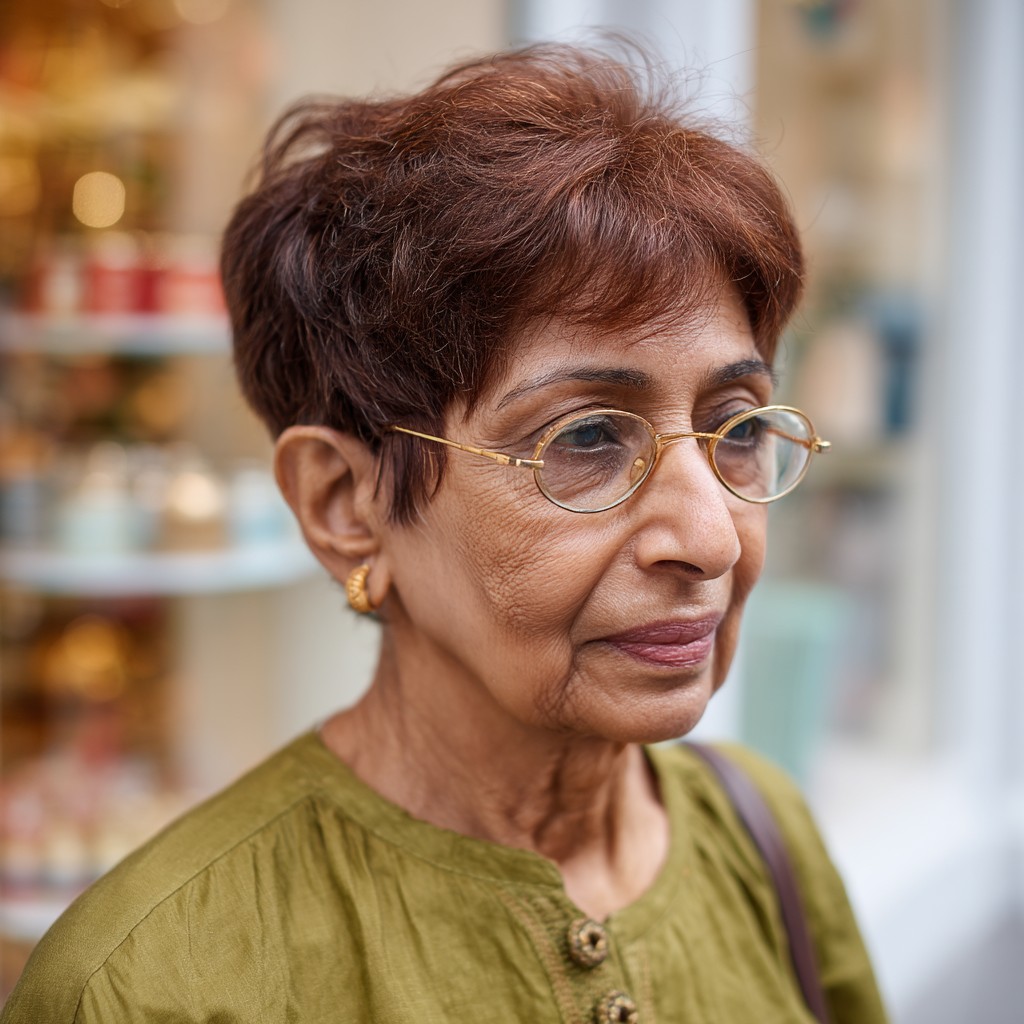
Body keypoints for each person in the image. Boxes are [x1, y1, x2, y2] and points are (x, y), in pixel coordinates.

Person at [2, 44, 888, 1023]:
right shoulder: (147, 982)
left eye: (738, 429)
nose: (711, 538)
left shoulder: (763, 840)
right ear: (346, 507)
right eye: (588, 437)